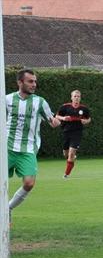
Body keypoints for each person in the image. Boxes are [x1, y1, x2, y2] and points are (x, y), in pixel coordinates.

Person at [6, 69, 62, 215]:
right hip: (7, 148)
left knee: (29, 183)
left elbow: (51, 120)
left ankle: (8, 208)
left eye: (35, 81)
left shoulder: (40, 102)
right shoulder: (7, 99)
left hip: (28, 149)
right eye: (30, 81)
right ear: (20, 82)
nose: (34, 84)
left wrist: (56, 122)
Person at [57, 89, 92, 178]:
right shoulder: (65, 107)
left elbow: (88, 119)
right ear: (71, 98)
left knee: (71, 153)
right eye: (75, 96)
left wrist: (86, 121)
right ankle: (71, 159)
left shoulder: (84, 109)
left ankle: (66, 174)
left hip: (77, 133)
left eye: (78, 96)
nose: (76, 98)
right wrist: (63, 118)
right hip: (66, 132)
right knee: (66, 154)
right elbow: (57, 116)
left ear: (80, 98)